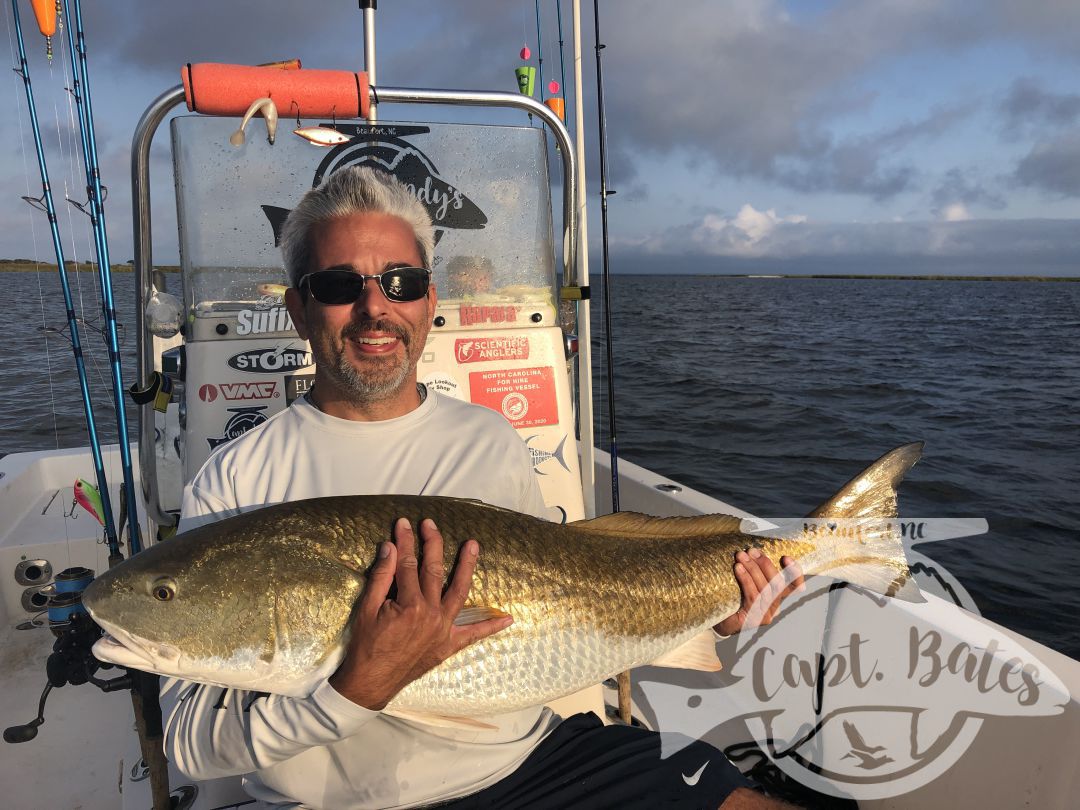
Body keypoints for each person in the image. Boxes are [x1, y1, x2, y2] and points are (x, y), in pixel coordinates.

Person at [162, 166, 802, 810]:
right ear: (299, 309)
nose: (375, 308)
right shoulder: (237, 480)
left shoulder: (488, 439)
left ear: (429, 302)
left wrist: (706, 612)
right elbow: (189, 741)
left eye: (401, 283)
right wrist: (356, 687)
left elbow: (561, 610)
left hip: (531, 764)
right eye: (339, 285)